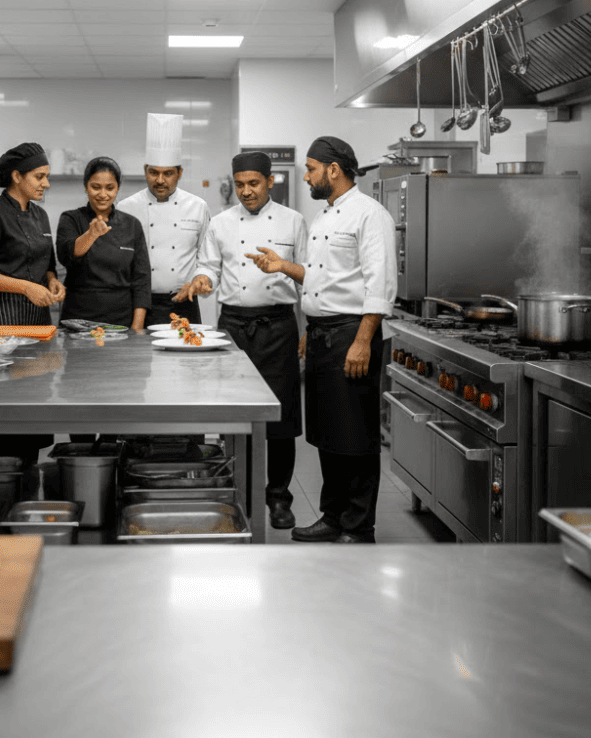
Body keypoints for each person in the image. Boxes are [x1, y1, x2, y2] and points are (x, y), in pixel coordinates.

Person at [249, 136, 396, 544]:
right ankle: (333, 516)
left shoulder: (370, 215)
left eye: (311, 169)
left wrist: (363, 341)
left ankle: (358, 526)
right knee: (328, 433)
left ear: (333, 169)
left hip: (351, 333)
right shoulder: (324, 216)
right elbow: (321, 279)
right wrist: (283, 267)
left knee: (356, 435)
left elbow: (380, 285)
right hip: (321, 335)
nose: (307, 177)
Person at [184, 150, 308, 529]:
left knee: (281, 419)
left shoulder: (293, 221)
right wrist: (203, 280)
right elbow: (209, 267)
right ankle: (239, 489)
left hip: (279, 326)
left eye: (254, 183)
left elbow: (307, 275)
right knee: (235, 416)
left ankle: (278, 497)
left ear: (270, 182)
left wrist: (307, 329)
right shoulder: (221, 223)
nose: (246, 191)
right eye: (240, 185)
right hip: (234, 328)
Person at [0, 142, 65, 465]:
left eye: (46, 176)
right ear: (17, 176)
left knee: (35, 413)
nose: (46, 184)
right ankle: (5, 480)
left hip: (37, 323)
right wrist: (24, 287)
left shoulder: (41, 215)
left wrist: (52, 281)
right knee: (9, 417)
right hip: (2, 324)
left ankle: (28, 479)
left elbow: (48, 263)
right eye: (39, 176)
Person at [116, 113, 210, 327]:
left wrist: (199, 280)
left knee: (186, 350)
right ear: (145, 170)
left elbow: (207, 258)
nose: (160, 180)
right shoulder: (126, 208)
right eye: (153, 173)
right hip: (139, 305)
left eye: (168, 173)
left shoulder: (198, 207)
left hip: (183, 303)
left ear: (179, 173)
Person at [56, 156, 151, 331]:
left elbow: (141, 280)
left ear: (118, 188)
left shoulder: (132, 225)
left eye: (110, 188)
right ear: (86, 186)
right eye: (95, 187)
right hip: (78, 322)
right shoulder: (71, 219)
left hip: (121, 321)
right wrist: (91, 234)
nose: (102, 194)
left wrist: (137, 326)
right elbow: (66, 255)